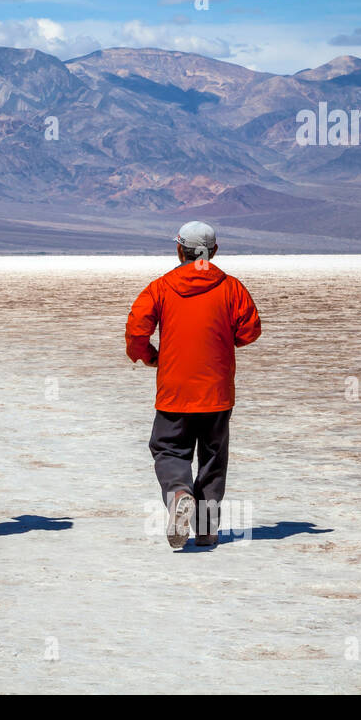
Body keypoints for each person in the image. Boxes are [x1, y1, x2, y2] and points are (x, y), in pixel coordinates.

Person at [125, 221, 261, 549]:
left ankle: (178, 494)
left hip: (175, 390)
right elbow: (250, 330)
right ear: (213, 251)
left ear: (178, 249)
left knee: (169, 448)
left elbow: (136, 331)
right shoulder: (231, 288)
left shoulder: (161, 287)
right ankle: (205, 530)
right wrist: (221, 344)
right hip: (216, 392)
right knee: (213, 459)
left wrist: (148, 356)